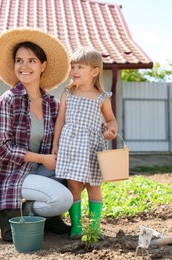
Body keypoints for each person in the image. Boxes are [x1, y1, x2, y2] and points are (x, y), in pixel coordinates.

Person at [0, 28, 73, 242]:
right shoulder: (7, 101)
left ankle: (47, 217)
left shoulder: (51, 104)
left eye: (32, 60)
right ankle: (10, 215)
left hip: (38, 171)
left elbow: (65, 135)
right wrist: (42, 159)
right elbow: (0, 148)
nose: (24, 66)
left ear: (43, 66)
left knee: (75, 171)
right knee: (63, 198)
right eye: (19, 60)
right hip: (12, 175)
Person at [52, 46, 118, 240]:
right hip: (71, 146)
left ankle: (94, 228)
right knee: (74, 186)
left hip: (92, 148)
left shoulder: (102, 98)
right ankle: (77, 227)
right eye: (73, 67)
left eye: (80, 67)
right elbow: (61, 120)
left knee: (94, 186)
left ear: (95, 71)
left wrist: (111, 131)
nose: (75, 71)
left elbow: (111, 120)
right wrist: (55, 144)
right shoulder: (68, 93)